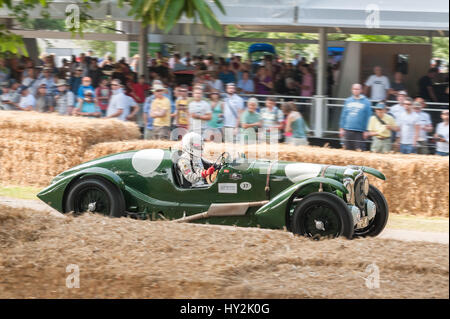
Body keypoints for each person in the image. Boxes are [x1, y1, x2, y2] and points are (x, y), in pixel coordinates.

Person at [339, 83, 372, 151]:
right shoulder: (348, 101)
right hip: (348, 130)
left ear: (361, 90)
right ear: (352, 90)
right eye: (354, 89)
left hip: (359, 132)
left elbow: (368, 117)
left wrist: (366, 130)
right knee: (347, 151)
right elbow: (343, 115)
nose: (356, 90)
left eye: (357, 89)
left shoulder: (366, 102)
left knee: (359, 151)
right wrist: (341, 128)